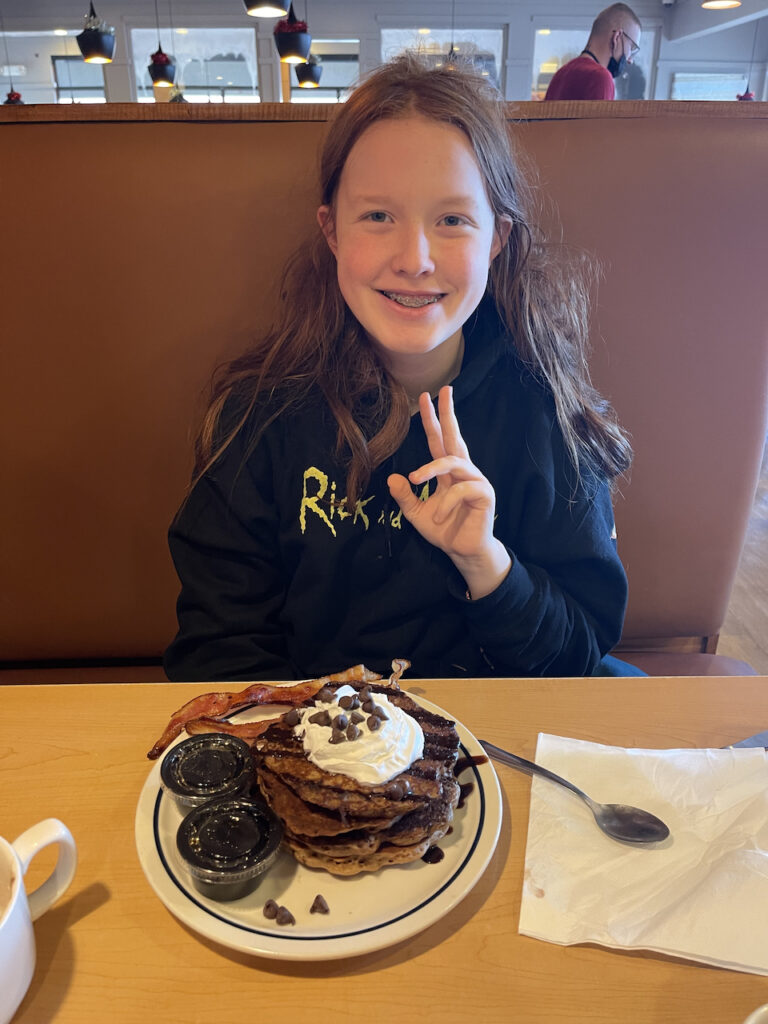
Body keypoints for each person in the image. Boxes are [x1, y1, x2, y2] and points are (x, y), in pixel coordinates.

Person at [164, 52, 639, 683]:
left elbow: (579, 654)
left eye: (451, 220)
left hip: (502, 753)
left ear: (496, 240)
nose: (415, 259)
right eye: (378, 216)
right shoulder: (258, 419)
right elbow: (219, 655)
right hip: (316, 759)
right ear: (331, 232)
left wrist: (486, 564)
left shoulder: (545, 409)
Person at [544, 4, 642, 102]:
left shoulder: (561, 74)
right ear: (617, 37)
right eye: (632, 47)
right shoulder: (601, 77)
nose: (630, 60)